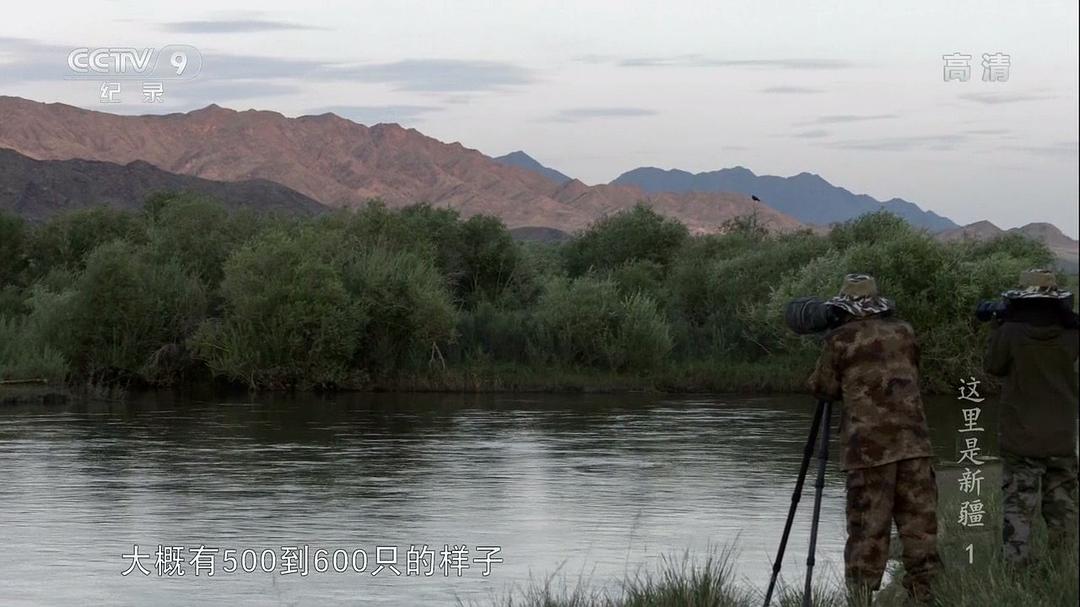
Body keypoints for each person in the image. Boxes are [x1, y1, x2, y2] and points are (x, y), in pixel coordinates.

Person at [807, 273, 941, 604]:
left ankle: (861, 599)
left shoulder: (840, 340)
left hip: (868, 453)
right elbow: (913, 370)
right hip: (915, 446)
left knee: (868, 532)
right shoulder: (905, 332)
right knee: (919, 529)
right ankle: (927, 596)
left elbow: (822, 388)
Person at [984, 268, 1079, 564]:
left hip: (1020, 435)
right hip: (1062, 435)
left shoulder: (1011, 331)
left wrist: (998, 326)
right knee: (1063, 506)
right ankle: (1063, 565)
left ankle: (1016, 568)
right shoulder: (1073, 332)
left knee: (1018, 506)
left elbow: (993, 366)